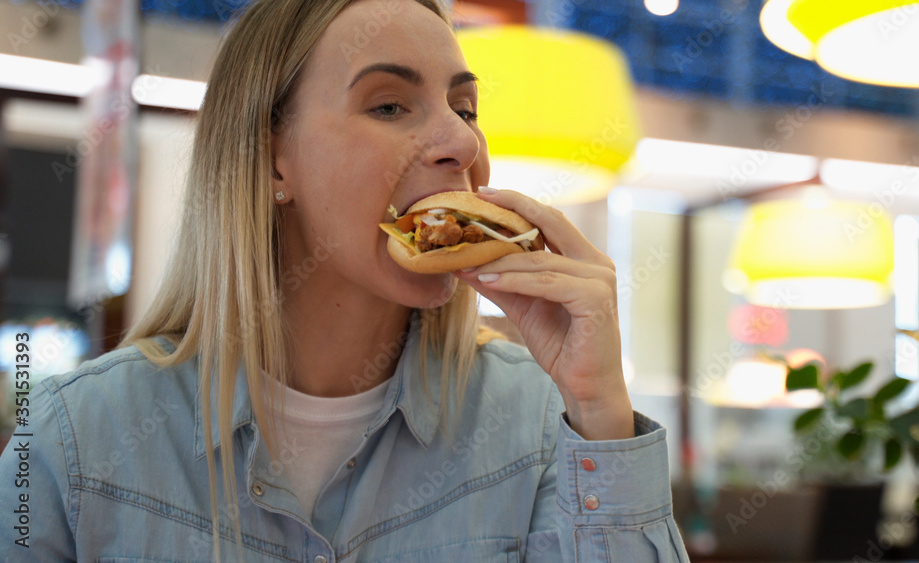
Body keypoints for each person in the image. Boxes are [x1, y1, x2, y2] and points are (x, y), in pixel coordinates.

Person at [0, 0, 690, 561]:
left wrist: (601, 413)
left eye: (466, 109)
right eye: (389, 105)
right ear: (274, 164)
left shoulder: (545, 425)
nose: (464, 143)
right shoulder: (72, 442)